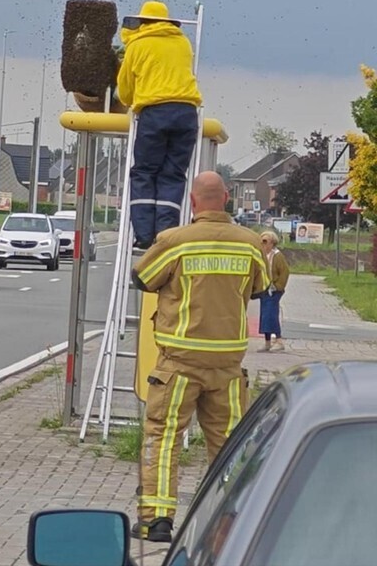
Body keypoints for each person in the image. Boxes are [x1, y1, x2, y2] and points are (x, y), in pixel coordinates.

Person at [130, 171, 269, 543]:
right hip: (227, 367)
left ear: (192, 202)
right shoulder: (250, 243)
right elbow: (260, 288)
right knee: (230, 446)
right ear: (226, 198)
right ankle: (231, 522)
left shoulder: (174, 241)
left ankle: (156, 520)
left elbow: (142, 278)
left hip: (179, 363)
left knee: (163, 438)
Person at [117, 0, 203, 250]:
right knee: (173, 174)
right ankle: (166, 234)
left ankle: (144, 236)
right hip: (187, 113)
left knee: (144, 172)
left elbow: (125, 88)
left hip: (154, 112)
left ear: (142, 21)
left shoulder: (137, 45)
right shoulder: (183, 43)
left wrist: (131, 101)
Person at [258, 231, 290, 351]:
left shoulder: (277, 256)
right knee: (264, 315)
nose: (263, 244)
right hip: (264, 289)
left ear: (272, 243)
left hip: (274, 290)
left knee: (271, 314)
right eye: (261, 241)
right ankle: (267, 342)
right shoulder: (261, 255)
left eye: (265, 241)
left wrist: (278, 286)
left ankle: (279, 340)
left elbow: (285, 272)